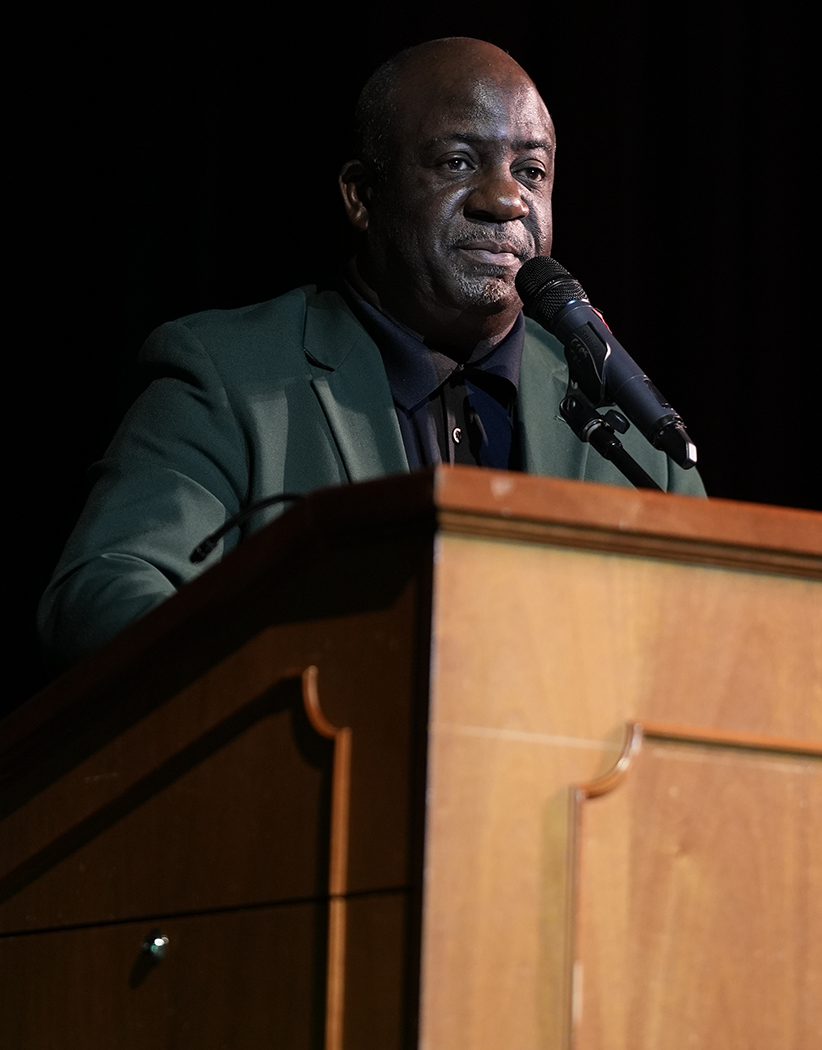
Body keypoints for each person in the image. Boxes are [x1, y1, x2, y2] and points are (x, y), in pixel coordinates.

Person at [38, 38, 705, 668]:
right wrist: (310, 674)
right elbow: (105, 593)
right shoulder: (228, 376)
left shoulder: (629, 430)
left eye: (530, 170)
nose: (506, 199)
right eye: (457, 162)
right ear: (361, 195)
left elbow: (720, 638)